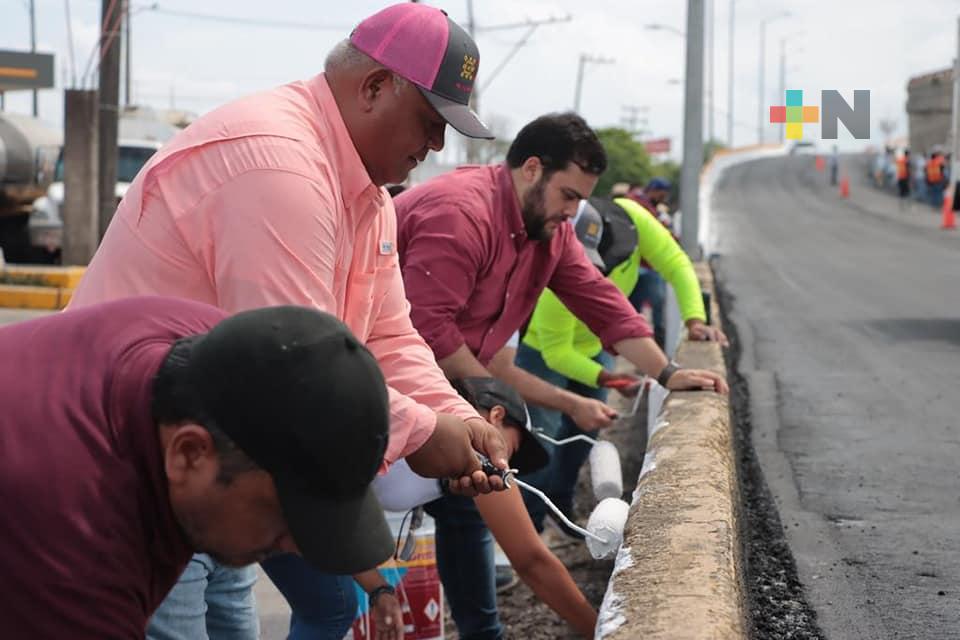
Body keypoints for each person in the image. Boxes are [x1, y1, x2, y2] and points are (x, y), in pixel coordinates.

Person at [67, 4, 514, 638]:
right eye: (430, 121)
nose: (437, 145)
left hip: (224, 456)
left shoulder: (366, 194)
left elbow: (386, 336)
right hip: (137, 460)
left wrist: (457, 417)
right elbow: (295, 368)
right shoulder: (279, 165)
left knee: (302, 611)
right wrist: (421, 433)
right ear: (374, 87)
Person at [394, 111, 728, 608]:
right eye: (568, 196)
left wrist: (668, 372)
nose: (572, 212)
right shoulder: (461, 214)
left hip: (454, 388)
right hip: (387, 388)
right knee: (346, 570)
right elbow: (427, 327)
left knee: (466, 513)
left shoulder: (550, 233)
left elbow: (601, 301)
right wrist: (488, 396)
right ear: (532, 169)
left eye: (580, 200)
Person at [0, 297, 397, 638]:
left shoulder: (217, 351)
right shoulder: (77, 551)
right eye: (285, 518)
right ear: (189, 453)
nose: (298, 548)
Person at [517, 196, 728, 532]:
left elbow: (675, 262)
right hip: (541, 355)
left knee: (585, 432)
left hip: (593, 344)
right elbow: (557, 353)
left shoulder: (632, 217)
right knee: (542, 441)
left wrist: (694, 320)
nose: (607, 277)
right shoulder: (554, 278)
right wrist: (610, 381)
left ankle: (561, 508)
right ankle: (529, 526)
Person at [423, 378, 598, 639]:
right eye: (512, 449)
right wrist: (604, 630)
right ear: (496, 416)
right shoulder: (478, 450)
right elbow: (531, 560)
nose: (508, 467)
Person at [624, 177, 674, 347]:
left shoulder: (651, 207)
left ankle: (645, 347)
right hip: (644, 266)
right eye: (662, 193)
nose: (663, 197)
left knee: (635, 309)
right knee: (653, 306)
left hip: (640, 265)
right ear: (654, 190)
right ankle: (652, 348)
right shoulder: (641, 205)